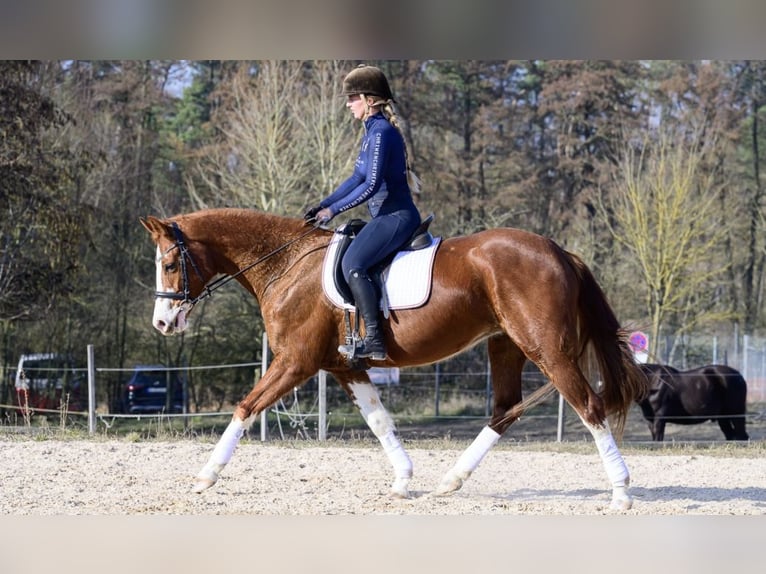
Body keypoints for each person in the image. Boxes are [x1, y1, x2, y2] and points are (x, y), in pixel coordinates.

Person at [304, 65, 423, 360]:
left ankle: (374, 339)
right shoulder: (371, 133)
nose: (348, 104)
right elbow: (356, 178)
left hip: (396, 217)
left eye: (352, 97)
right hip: (384, 217)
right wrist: (323, 204)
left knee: (353, 263)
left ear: (370, 100)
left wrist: (333, 211)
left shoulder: (382, 132)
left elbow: (370, 186)